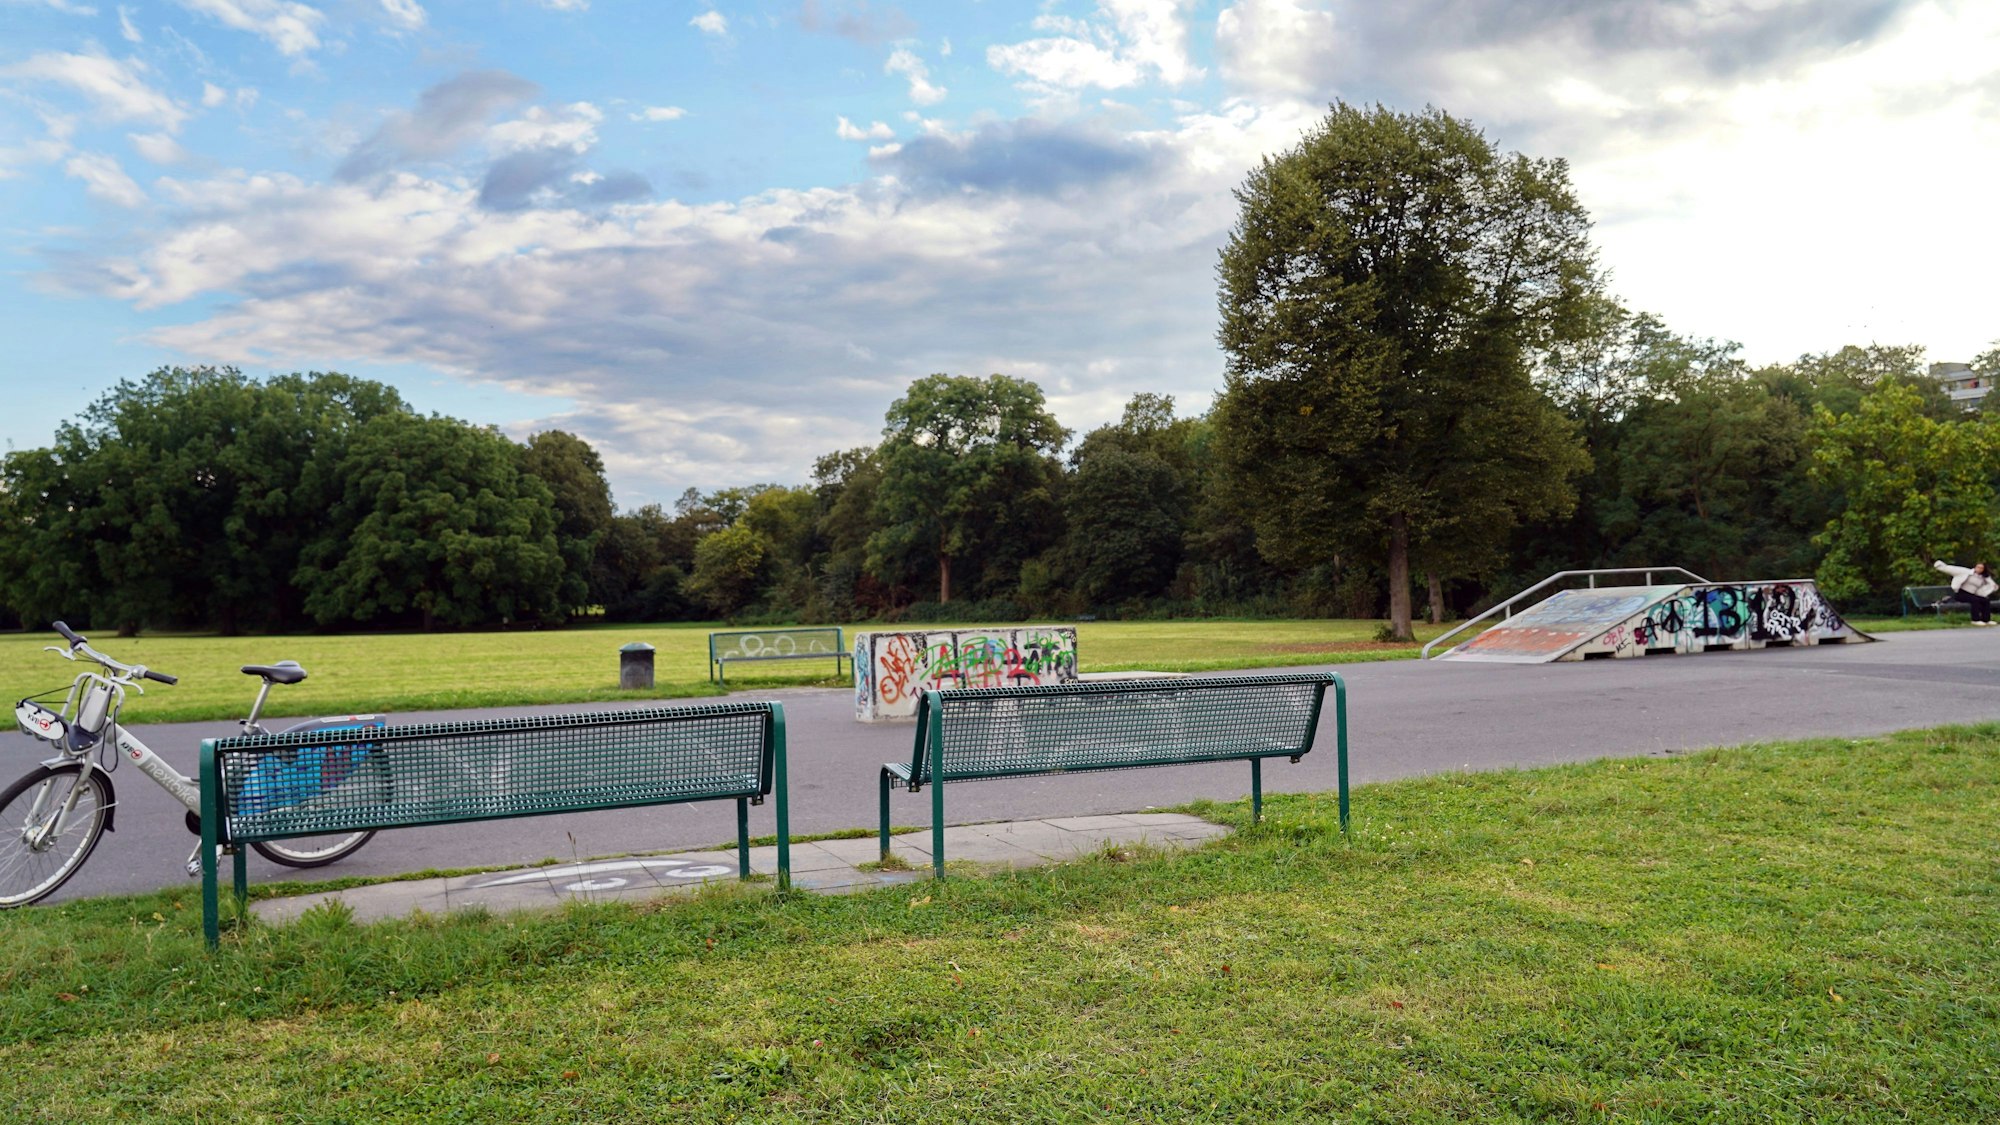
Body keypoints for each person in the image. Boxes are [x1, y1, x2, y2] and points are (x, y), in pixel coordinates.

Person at [1932, 559, 1997, 625]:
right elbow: (1952, 569)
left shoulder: (1984, 577)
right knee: (1975, 600)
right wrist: (1940, 566)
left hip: (1972, 594)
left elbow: (1991, 585)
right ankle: (1975, 620)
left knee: (1985, 600)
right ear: (1975, 567)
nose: (1979, 569)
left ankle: (1986, 620)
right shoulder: (1966, 572)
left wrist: (1994, 587)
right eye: (1978, 567)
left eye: (1981, 568)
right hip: (1961, 593)